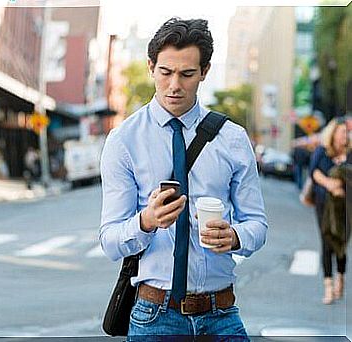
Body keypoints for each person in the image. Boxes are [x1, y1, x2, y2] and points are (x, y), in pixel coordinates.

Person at [99, 18, 268, 339]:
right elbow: (110, 240)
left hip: (222, 314)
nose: (174, 85)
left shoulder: (232, 138)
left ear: (204, 72)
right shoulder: (124, 140)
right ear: (151, 67)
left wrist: (234, 237)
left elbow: (257, 225)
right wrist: (146, 221)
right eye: (165, 72)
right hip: (154, 315)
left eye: (187, 74)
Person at [309, 117, 348, 304]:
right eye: (342, 132)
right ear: (333, 134)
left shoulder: (349, 154)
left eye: (346, 133)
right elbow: (314, 171)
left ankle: (341, 278)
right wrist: (330, 184)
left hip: (344, 207)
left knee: (340, 240)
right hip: (324, 204)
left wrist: (341, 183)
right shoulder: (322, 152)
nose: (345, 136)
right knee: (326, 240)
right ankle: (329, 287)